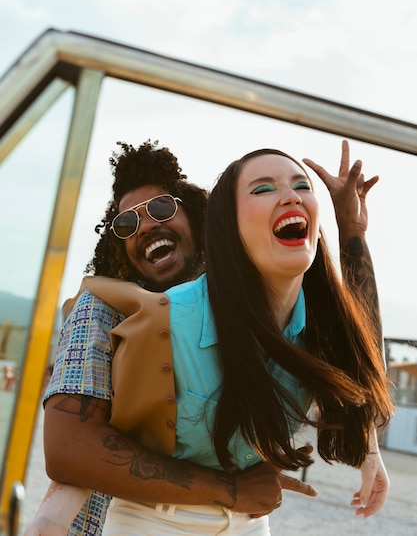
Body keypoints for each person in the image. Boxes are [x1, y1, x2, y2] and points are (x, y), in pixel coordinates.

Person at [24, 139, 387, 535]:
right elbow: (73, 449)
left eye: (161, 208)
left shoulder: (264, 298)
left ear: (199, 216)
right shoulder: (109, 312)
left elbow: (352, 341)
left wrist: (352, 231)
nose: (146, 226)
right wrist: (49, 520)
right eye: (126, 225)